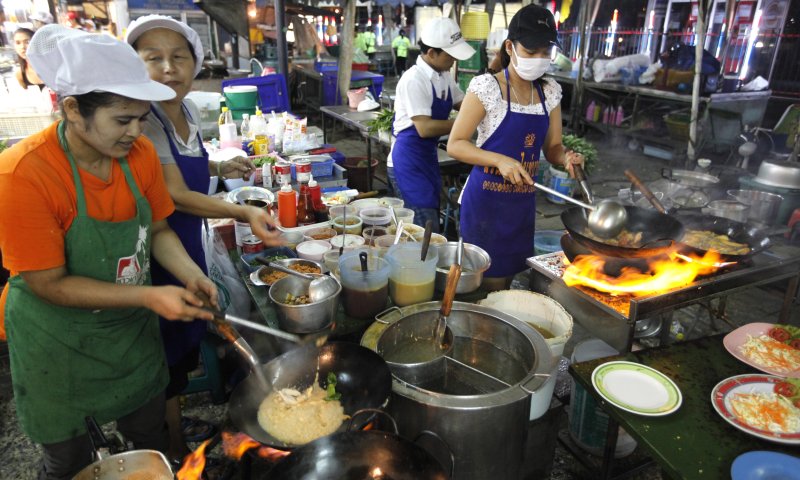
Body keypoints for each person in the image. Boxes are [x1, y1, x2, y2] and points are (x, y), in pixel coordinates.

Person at [0, 24, 218, 479]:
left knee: (151, 438)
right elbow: (47, 282)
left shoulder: (137, 156)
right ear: (73, 109)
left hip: (130, 335)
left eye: (142, 118)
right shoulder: (23, 174)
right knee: (68, 461)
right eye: (123, 120)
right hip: (55, 343)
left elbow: (158, 230)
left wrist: (187, 275)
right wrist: (146, 296)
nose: (137, 132)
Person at [125, 14, 282, 463]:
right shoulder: (146, 118)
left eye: (178, 57)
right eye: (152, 59)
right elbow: (173, 194)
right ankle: (171, 449)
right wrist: (243, 209)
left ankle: (172, 428)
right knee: (167, 352)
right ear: (136, 67)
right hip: (160, 245)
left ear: (196, 64)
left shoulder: (187, 109)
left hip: (188, 240)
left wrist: (219, 168)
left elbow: (188, 165)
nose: (168, 68)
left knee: (184, 337)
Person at [447, 5, 584, 290]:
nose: (539, 59)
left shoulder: (550, 92)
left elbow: (553, 148)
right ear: (510, 46)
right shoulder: (486, 88)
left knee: (506, 280)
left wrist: (567, 158)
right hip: (486, 205)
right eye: (531, 52)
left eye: (545, 52)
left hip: (521, 205)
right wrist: (499, 160)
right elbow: (456, 144)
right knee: (485, 285)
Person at [386, 17, 474, 233]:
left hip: (426, 158)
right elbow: (424, 128)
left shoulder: (444, 76)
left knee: (432, 215)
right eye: (450, 54)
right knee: (423, 227)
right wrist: (464, 124)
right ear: (431, 52)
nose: (454, 59)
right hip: (407, 161)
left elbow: (465, 104)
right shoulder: (413, 79)